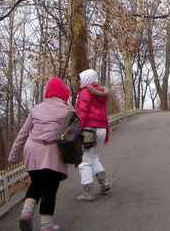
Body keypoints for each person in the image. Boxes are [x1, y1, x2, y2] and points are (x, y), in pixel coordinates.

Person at [8, 77, 73, 231]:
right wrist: (79, 154)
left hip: (32, 150)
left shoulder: (36, 108)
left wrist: (13, 155)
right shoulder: (67, 109)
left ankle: (26, 214)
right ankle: (46, 226)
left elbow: (23, 133)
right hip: (52, 152)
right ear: (64, 92)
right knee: (49, 189)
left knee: (36, 183)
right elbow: (74, 135)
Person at [75, 68, 111, 202]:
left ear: (85, 79)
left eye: (80, 79)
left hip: (89, 129)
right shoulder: (102, 94)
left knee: (85, 161)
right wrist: (106, 133)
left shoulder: (85, 91)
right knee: (94, 156)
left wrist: (77, 129)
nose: (79, 82)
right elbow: (105, 115)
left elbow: (82, 111)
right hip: (101, 128)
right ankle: (104, 183)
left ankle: (87, 192)